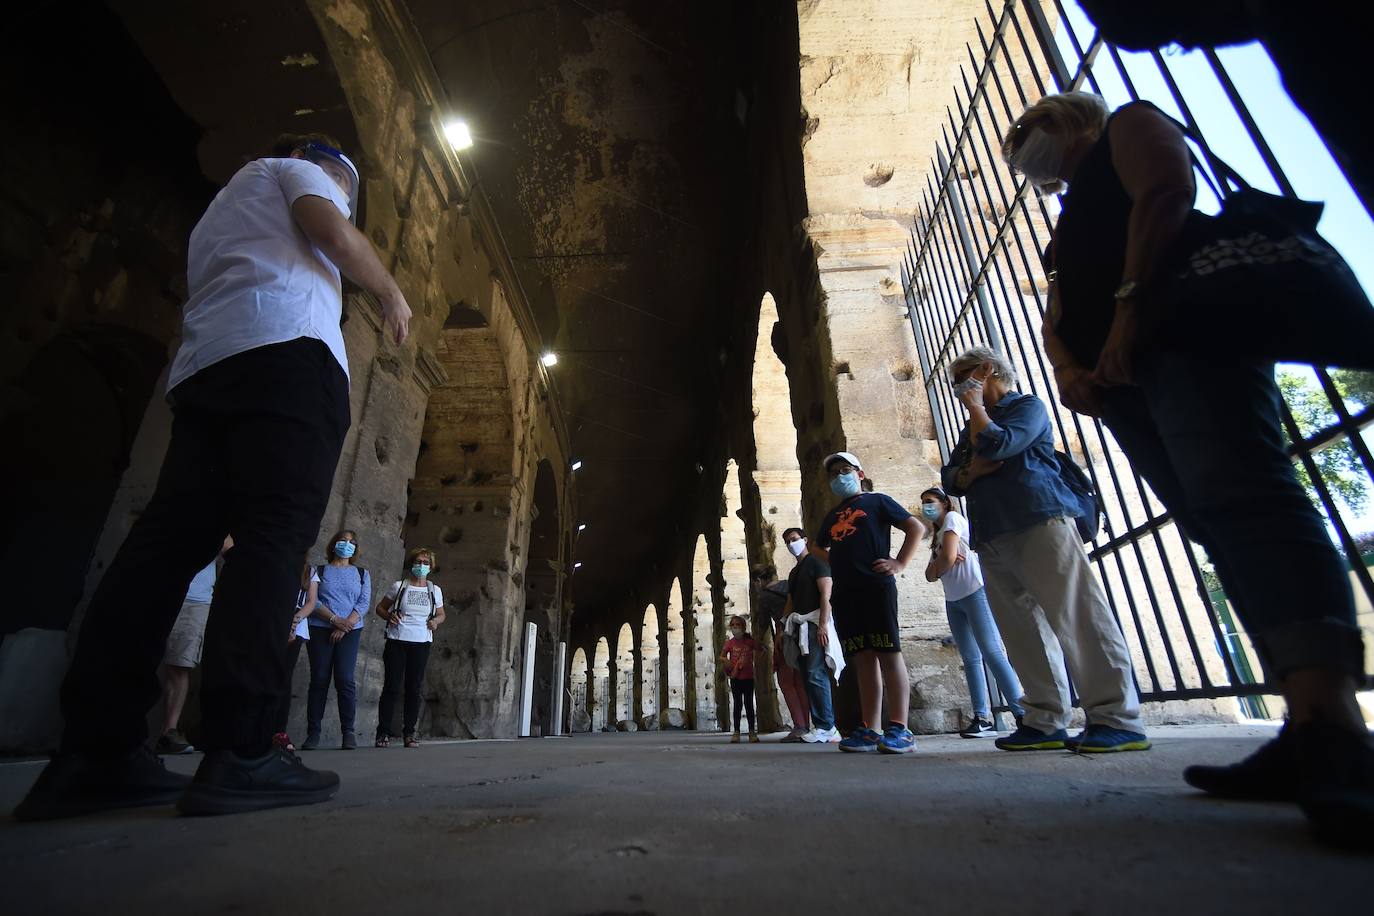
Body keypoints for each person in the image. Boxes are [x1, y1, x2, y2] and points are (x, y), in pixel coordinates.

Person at [1004, 91, 1371, 846]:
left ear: (1068, 117)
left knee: (1252, 502)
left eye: (1027, 130)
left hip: (1184, 338)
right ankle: (1303, 724)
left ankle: (1334, 726)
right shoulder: (1070, 213)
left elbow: (1169, 191)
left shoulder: (1129, 126)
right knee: (1215, 525)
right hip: (1122, 379)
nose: (1021, 148)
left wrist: (1131, 310)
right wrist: (1071, 362)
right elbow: (1060, 303)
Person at [15, 132, 411, 822]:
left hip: (209, 373)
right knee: (273, 542)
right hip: (288, 366)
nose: (346, 201)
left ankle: (97, 750)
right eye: (346, 188)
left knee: (164, 547)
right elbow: (334, 235)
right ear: (329, 170)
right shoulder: (295, 173)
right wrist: (390, 291)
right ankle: (245, 747)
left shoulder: (222, 213)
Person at [940, 347, 1149, 754]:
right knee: (1021, 631)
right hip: (992, 533)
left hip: (1040, 519)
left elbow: (1002, 446)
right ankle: (1044, 720)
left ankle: (1116, 718)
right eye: (956, 383)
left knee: (1078, 616)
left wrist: (978, 416)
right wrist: (971, 468)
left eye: (965, 377)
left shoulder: (1027, 407)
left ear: (987, 371)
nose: (959, 388)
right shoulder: (970, 432)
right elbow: (952, 478)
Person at [814, 451, 925, 754]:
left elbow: (916, 527)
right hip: (846, 592)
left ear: (860, 474)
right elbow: (817, 546)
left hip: (875, 586)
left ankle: (901, 727)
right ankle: (871, 728)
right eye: (834, 473)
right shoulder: (833, 515)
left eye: (845, 470)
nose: (839, 476)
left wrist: (899, 562)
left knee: (889, 653)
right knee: (862, 659)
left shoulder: (877, 501)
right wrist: (838, 563)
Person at [919, 488, 1026, 738]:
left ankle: (1022, 713)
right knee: (970, 658)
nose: (926, 507)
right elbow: (930, 574)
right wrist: (941, 564)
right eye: (923, 503)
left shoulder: (953, 520)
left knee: (991, 651)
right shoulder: (937, 536)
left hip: (974, 592)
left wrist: (941, 564)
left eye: (930, 502)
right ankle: (981, 717)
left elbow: (943, 561)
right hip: (953, 599)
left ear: (945, 503)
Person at [155, 536, 233, 755]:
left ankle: (168, 731)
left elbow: (232, 552)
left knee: (180, 664)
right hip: (159, 591)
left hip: (195, 601)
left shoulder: (223, 527)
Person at [303, 530, 371, 750]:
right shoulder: (319, 570)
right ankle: (313, 733)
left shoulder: (361, 573)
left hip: (350, 630)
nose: (347, 545)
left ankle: (348, 732)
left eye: (352, 542)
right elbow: (314, 601)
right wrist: (334, 620)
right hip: (321, 628)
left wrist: (345, 625)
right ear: (333, 545)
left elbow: (363, 603)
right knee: (320, 679)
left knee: (345, 679)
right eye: (343, 541)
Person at [374, 547, 446, 748]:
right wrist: (389, 616)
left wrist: (436, 622)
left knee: (414, 688)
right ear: (411, 564)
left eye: (425, 563)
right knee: (391, 686)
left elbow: (441, 614)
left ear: (431, 567)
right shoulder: (399, 586)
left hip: (421, 642)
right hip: (397, 640)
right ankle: (383, 733)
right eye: (418, 562)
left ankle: (409, 733)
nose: (421, 566)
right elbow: (380, 608)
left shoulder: (434, 590)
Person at [781, 527, 842, 744]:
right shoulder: (794, 572)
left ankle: (828, 726)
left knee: (816, 673)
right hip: (800, 627)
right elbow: (790, 600)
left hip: (815, 624)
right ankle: (821, 725)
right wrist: (784, 627)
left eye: (795, 539)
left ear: (805, 539)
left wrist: (824, 625)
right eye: (787, 541)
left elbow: (826, 594)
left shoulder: (817, 563)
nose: (791, 544)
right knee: (808, 675)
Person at [757, 570, 810, 742]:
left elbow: (763, 623)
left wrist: (758, 643)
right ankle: (807, 725)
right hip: (803, 631)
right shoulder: (789, 585)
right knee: (801, 681)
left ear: (758, 581)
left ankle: (799, 726)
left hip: (784, 634)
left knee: (786, 682)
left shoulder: (765, 596)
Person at [272, 562, 319, 752]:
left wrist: (293, 621)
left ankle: (278, 731)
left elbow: (311, 601)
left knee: (283, 679)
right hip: (272, 621)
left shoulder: (309, 571)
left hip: (296, 625)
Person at [721, 615, 759, 743]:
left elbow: (762, 649)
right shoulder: (730, 643)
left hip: (748, 677)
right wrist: (727, 663)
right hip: (736, 677)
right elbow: (721, 656)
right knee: (737, 704)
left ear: (743, 626)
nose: (735, 627)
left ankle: (752, 732)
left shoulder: (750, 642)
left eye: (738, 625)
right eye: (733, 625)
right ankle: (736, 731)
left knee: (749, 704)